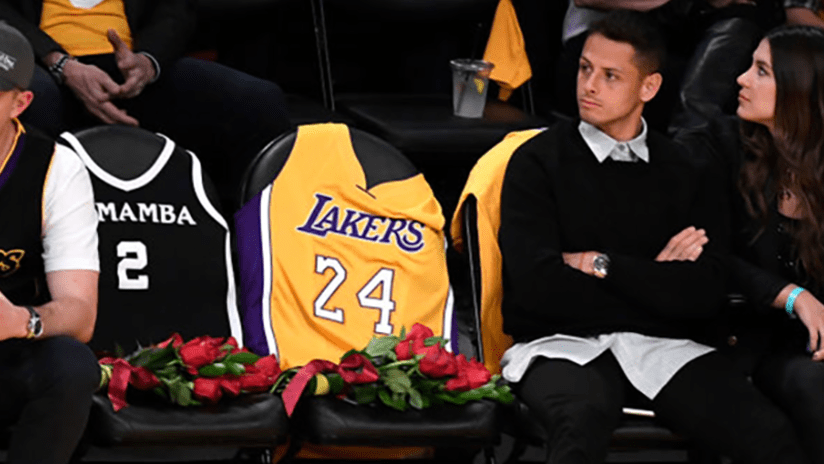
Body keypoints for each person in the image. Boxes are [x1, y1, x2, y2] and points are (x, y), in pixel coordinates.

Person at [498, 11, 809, 464]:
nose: (589, 86)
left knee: (767, 433)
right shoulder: (536, 161)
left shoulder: (685, 168)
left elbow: (704, 291)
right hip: (559, 345)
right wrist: (656, 280)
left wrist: (601, 265)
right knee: (579, 420)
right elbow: (534, 291)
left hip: (667, 349)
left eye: (610, 76)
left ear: (648, 87)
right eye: (585, 69)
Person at [0, 0, 292, 214]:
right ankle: (24, 249)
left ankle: (243, 244)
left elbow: (176, 11)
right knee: (28, 101)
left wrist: (148, 62)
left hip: (130, 64)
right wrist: (60, 63)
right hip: (42, 64)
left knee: (258, 100)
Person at [713, 25, 824, 464]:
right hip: (751, 336)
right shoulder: (722, 148)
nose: (741, 79)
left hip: (816, 342)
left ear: (798, 91)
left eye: (761, 71)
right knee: (813, 385)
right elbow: (715, 255)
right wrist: (795, 297)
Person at [0, 22, 101, 464]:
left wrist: (23, 321)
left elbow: (80, 314)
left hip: (5, 348)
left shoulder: (57, 168)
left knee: (70, 365)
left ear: (20, 103)